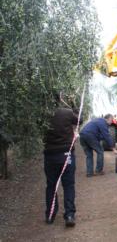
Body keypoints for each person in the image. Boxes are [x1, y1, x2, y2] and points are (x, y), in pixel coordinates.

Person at [43, 93, 82, 227]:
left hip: (50, 155)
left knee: (51, 185)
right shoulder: (67, 112)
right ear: (59, 100)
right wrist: (73, 106)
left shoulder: (41, 115)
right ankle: (69, 215)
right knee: (68, 185)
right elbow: (79, 120)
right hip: (66, 155)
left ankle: (50, 215)